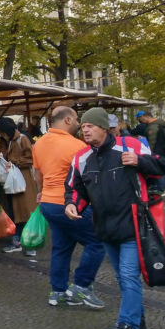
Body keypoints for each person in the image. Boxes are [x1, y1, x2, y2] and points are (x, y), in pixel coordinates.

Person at [65, 107, 165, 329]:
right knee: (122, 277)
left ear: (103, 127)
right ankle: (138, 321)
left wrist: (139, 161)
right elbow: (75, 188)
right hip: (105, 228)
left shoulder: (129, 145)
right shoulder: (81, 158)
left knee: (130, 275)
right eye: (84, 126)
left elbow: (161, 168)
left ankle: (126, 328)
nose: (86, 129)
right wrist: (71, 204)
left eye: (90, 125)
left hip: (133, 224)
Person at [32, 107, 105, 308]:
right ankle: (81, 286)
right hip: (70, 203)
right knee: (99, 240)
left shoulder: (39, 144)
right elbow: (89, 178)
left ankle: (58, 292)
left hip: (48, 202)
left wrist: (41, 192)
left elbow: (38, 173)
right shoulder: (77, 146)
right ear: (67, 120)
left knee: (61, 246)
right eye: (76, 121)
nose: (78, 125)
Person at [0, 116, 39, 256]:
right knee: (13, 212)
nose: (0, 135)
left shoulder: (22, 139)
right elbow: (5, 157)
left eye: (1, 132)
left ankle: (30, 243)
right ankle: (16, 241)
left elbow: (31, 159)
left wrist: (14, 161)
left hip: (22, 182)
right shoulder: (4, 142)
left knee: (25, 212)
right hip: (9, 181)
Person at [134, 110, 165, 190]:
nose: (142, 121)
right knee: (163, 168)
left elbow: (152, 141)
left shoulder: (153, 126)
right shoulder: (160, 124)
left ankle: (160, 188)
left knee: (158, 168)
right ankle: (164, 185)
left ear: (148, 117)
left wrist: (149, 152)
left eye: (143, 119)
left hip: (158, 150)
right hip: (164, 150)